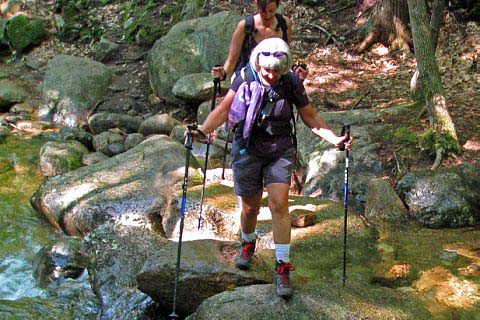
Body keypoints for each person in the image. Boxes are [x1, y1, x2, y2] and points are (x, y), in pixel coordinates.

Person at [195, 38, 351, 298]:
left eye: (276, 70)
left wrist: (335, 139)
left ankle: (282, 266)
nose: (271, 74)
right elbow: (224, 110)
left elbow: (310, 117)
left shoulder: (290, 83)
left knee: (279, 204)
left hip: (279, 148)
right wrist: (202, 130)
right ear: (258, 63)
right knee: (250, 206)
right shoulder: (245, 77)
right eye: (267, 69)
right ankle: (247, 241)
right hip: (247, 148)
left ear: (285, 67)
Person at [211, 0, 308, 82]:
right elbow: (232, 61)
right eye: (263, 11)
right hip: (249, 79)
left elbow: (285, 56)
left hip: (276, 78)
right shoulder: (245, 26)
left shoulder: (284, 24)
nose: (268, 15)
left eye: (271, 11)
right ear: (256, 4)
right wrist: (222, 73)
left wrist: (295, 68)